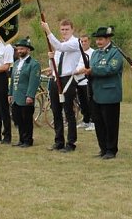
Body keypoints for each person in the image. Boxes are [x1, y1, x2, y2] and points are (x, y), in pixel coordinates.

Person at [82, 25, 123, 159]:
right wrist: (89, 73)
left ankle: (111, 150)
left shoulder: (116, 52)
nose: (98, 42)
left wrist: (92, 71)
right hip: (95, 92)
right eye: (97, 39)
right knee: (98, 122)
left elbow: (111, 69)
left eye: (101, 39)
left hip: (110, 94)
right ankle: (103, 148)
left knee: (110, 123)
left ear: (108, 39)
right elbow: (92, 68)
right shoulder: (95, 53)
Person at [40, 19, 81, 152]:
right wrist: (50, 58)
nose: (64, 32)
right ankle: (59, 141)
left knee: (68, 111)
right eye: (62, 30)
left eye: (67, 29)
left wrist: (48, 31)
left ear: (72, 30)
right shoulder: (59, 45)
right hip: (55, 79)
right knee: (55, 110)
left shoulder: (75, 42)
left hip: (67, 79)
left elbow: (60, 47)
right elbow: (54, 66)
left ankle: (71, 142)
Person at [10, 37, 40, 148]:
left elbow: (34, 81)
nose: (20, 51)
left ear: (28, 50)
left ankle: (28, 140)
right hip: (16, 96)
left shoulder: (34, 64)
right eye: (18, 49)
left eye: (22, 49)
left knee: (26, 119)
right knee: (18, 119)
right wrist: (10, 93)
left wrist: (30, 95)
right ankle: (21, 139)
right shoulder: (16, 63)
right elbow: (12, 80)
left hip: (26, 96)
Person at [74, 34, 94, 130]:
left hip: (87, 81)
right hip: (77, 81)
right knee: (82, 103)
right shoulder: (77, 53)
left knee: (89, 102)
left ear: (89, 41)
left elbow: (88, 66)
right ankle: (86, 120)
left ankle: (93, 121)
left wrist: (77, 72)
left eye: (85, 41)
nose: (83, 43)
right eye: (82, 41)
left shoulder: (92, 53)